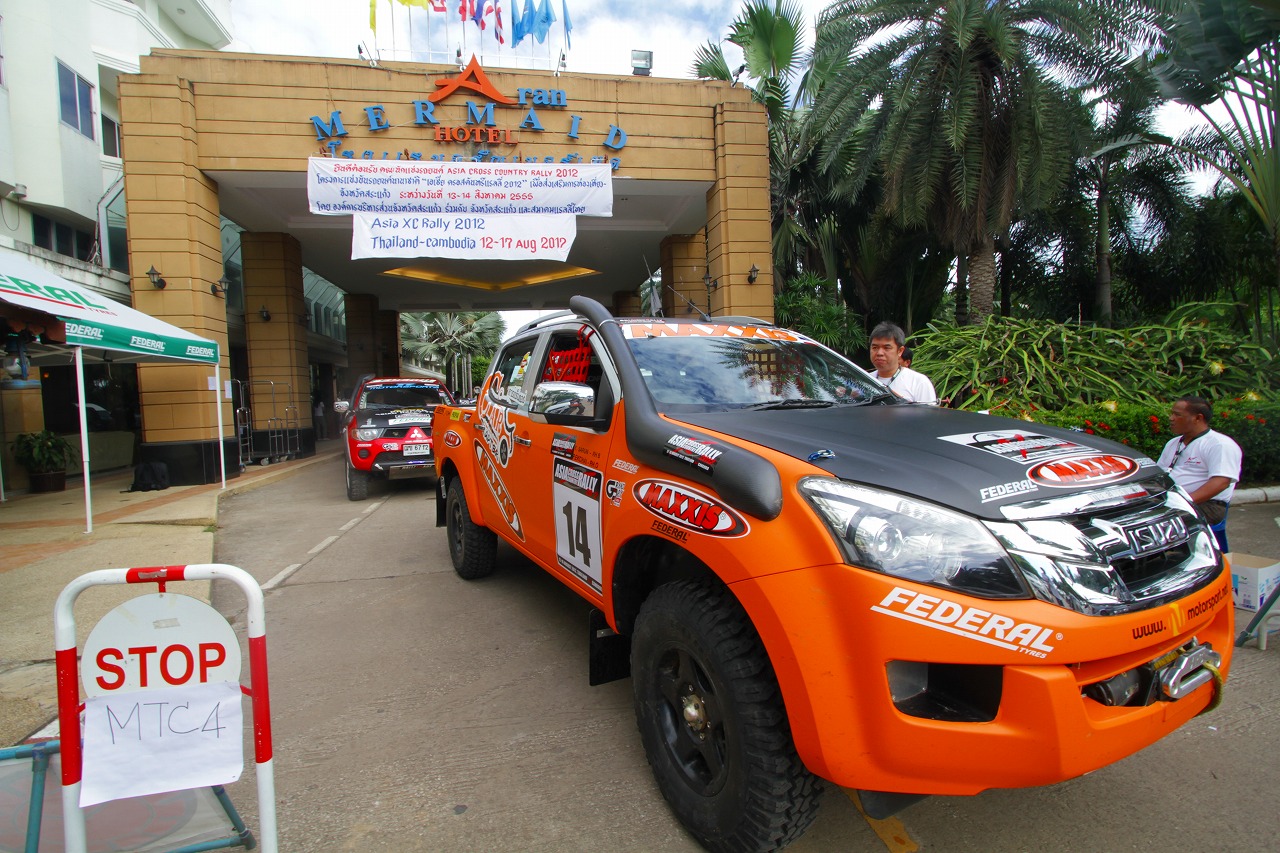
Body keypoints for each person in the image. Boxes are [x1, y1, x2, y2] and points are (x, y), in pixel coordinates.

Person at [1155, 395, 1242, 551]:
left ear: (1198, 418)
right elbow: (1159, 475)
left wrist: (1183, 502)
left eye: (1177, 414)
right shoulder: (1173, 443)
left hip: (1207, 504)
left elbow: (1221, 482)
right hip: (1172, 500)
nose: (1171, 418)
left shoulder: (1219, 444)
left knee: (1160, 523)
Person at [868, 322, 937, 404]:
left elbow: (928, 412)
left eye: (886, 348)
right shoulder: (864, 380)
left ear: (900, 351)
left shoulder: (919, 382)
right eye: (875, 347)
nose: (879, 353)